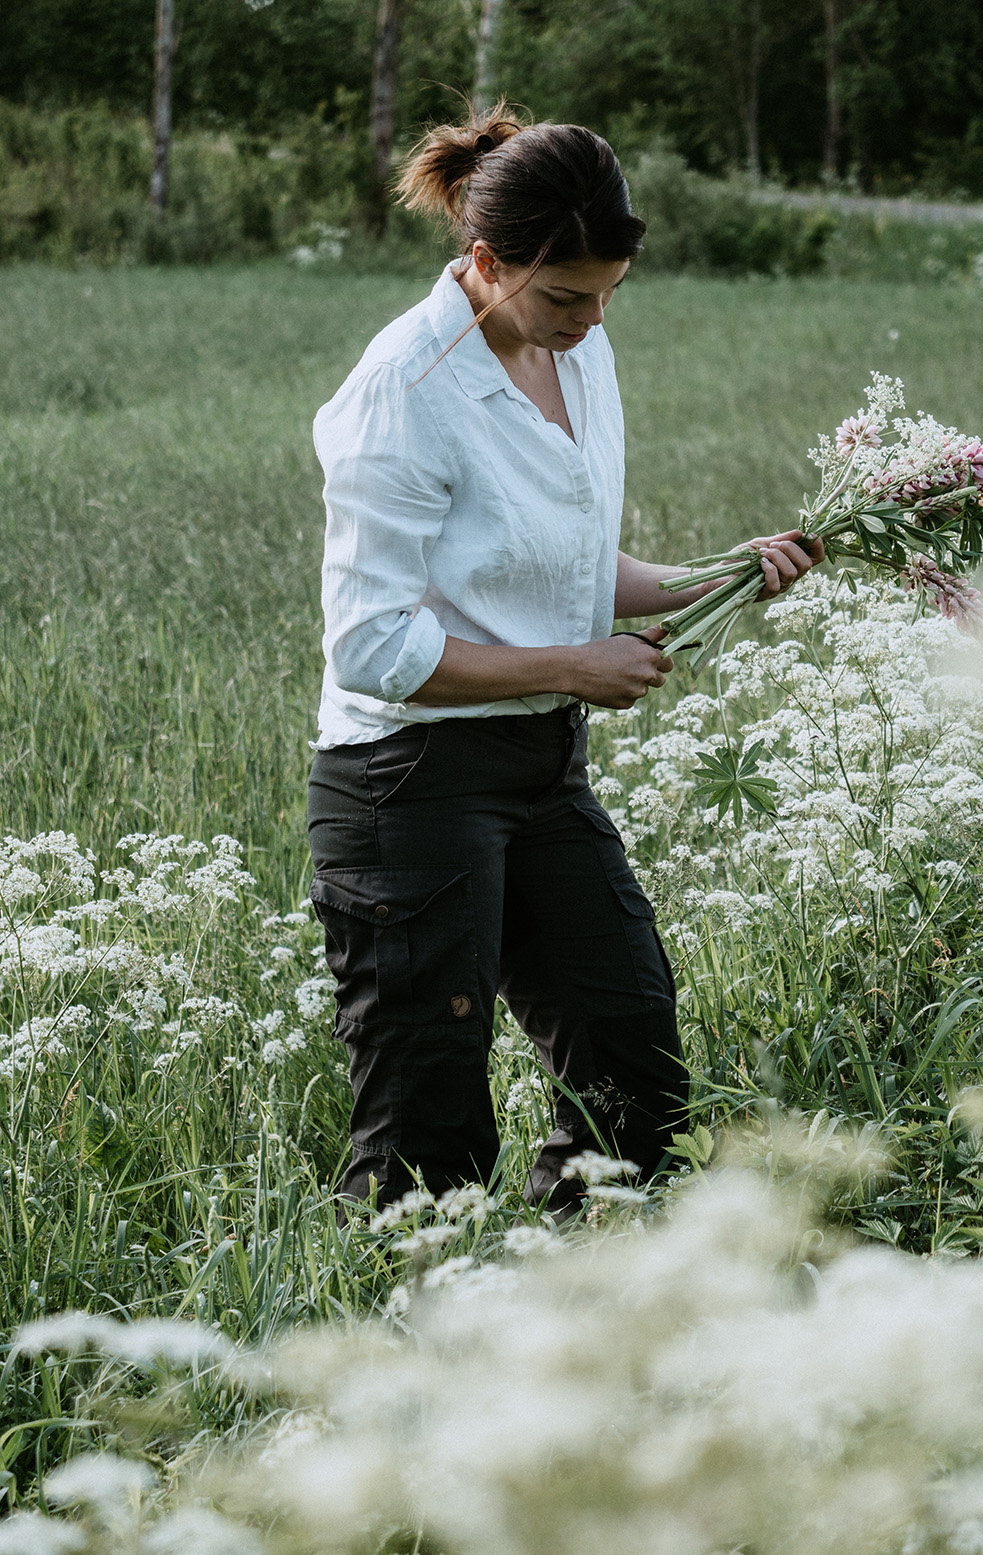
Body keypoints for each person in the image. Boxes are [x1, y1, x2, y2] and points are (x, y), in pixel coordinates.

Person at [307, 106, 824, 1216]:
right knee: (425, 1135)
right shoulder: (403, 389)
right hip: (406, 781)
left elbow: (568, 565)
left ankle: (587, 1321)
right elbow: (370, 648)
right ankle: (401, 1352)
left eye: (605, 295)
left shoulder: (569, 348)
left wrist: (714, 574)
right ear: (483, 260)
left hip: (540, 765)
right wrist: (574, 669)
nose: (588, 322)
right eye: (562, 298)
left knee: (632, 1066)